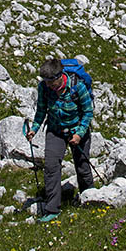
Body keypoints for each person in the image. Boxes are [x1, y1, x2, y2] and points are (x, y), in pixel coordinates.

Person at [26, 58, 94, 222]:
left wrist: (79, 134)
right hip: (55, 130)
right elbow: (41, 110)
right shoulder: (44, 87)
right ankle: (52, 209)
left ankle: (90, 198)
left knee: (82, 166)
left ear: (60, 76)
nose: (49, 85)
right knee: (51, 166)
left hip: (78, 129)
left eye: (51, 82)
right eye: (46, 81)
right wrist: (34, 129)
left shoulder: (77, 86)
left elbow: (88, 112)